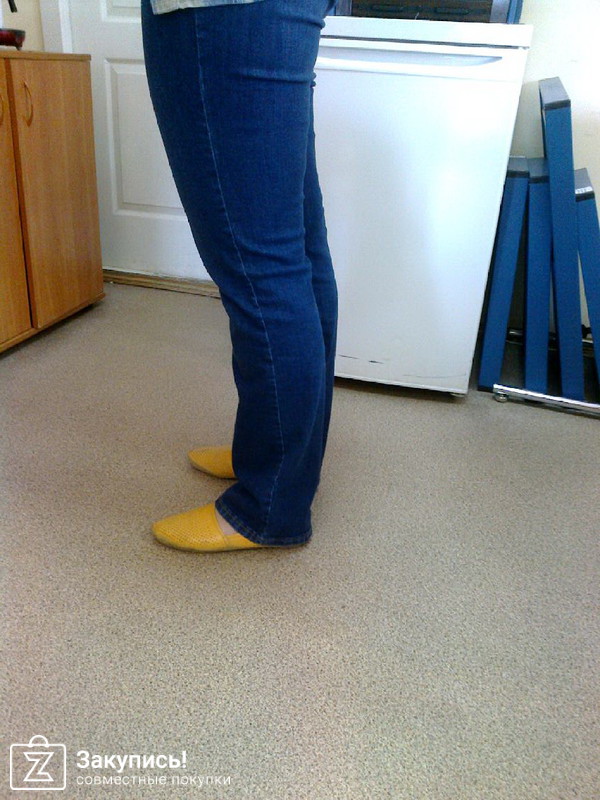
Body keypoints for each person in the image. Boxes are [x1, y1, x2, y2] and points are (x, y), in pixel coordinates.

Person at [141, 0, 338, 552]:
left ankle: (268, 506)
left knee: (263, 267)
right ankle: (281, 460)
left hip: (219, 10)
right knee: (294, 252)